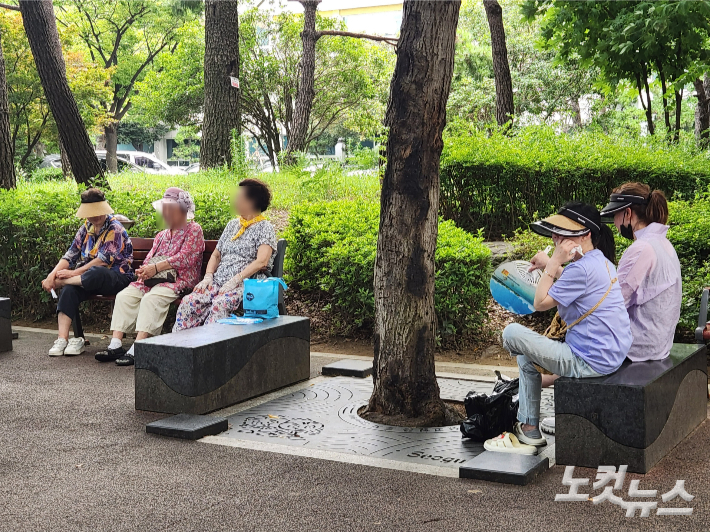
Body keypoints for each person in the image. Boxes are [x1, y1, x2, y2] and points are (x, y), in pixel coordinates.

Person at [500, 202, 632, 449]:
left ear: (585, 234)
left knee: (512, 333)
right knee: (527, 358)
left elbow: (539, 303)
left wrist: (551, 265)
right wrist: (552, 265)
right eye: (555, 233)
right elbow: (577, 283)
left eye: (562, 233)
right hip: (612, 355)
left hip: (588, 361)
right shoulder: (601, 262)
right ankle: (529, 429)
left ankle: (528, 426)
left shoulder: (579, 269)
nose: (555, 238)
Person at [94, 188, 205, 367]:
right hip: (154, 278)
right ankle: (115, 344)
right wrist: (144, 270)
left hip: (179, 279)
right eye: (164, 209)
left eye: (171, 209)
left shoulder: (194, 229)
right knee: (126, 296)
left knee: (151, 299)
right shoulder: (161, 235)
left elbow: (186, 257)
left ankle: (140, 346)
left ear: (183, 210)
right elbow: (149, 258)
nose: (166, 214)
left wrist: (156, 267)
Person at [172, 178, 277, 331]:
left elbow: (262, 261)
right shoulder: (232, 225)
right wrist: (208, 277)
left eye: (239, 197)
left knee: (219, 305)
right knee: (189, 302)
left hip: (244, 285)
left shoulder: (264, 227)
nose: (235, 200)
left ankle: (210, 350)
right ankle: (181, 347)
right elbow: (216, 255)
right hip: (218, 281)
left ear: (251, 202)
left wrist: (236, 280)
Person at [41, 188, 133, 357]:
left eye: (98, 211)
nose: (95, 216)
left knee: (96, 272)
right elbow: (70, 255)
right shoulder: (85, 228)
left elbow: (103, 260)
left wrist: (71, 275)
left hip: (116, 278)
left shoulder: (115, 228)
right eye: (90, 213)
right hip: (85, 279)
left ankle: (64, 282)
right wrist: (52, 275)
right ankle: (62, 338)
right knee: (70, 290)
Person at [600, 182, 681, 361]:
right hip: (658, 345)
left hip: (635, 348)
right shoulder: (663, 244)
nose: (614, 223)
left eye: (615, 215)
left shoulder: (641, 249)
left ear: (627, 213)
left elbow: (613, 302)